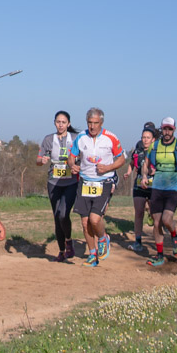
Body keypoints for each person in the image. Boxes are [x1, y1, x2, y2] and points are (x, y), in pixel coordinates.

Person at [67, 107, 124, 268]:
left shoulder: (110, 138)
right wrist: (72, 165)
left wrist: (108, 168)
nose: (92, 126)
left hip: (104, 182)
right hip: (85, 182)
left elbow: (121, 159)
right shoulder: (81, 137)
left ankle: (103, 238)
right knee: (85, 222)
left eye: (96, 123)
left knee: (94, 219)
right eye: (89, 123)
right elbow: (71, 157)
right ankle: (92, 254)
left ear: (101, 123)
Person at [147, 117, 177, 267]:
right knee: (156, 223)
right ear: (161, 129)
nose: (167, 132)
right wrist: (145, 175)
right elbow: (146, 163)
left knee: (166, 220)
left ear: (174, 130)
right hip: (157, 187)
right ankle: (159, 255)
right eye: (165, 129)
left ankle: (174, 236)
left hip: (173, 188)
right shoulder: (154, 146)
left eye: (170, 129)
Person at [36, 111, 79, 261]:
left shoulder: (75, 139)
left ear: (68, 124)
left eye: (63, 122)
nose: (60, 125)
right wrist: (42, 161)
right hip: (53, 182)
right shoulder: (48, 139)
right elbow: (38, 159)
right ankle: (61, 251)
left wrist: (78, 165)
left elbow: (83, 156)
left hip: (71, 182)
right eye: (58, 122)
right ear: (54, 123)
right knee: (56, 216)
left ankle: (69, 241)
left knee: (63, 214)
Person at [124, 122, 157, 253]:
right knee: (138, 213)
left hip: (154, 187)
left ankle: (158, 244)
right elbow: (132, 163)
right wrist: (128, 172)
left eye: (148, 138)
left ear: (153, 139)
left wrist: (156, 171)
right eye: (143, 137)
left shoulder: (157, 151)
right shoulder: (138, 150)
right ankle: (138, 242)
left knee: (155, 215)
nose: (145, 140)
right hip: (139, 185)